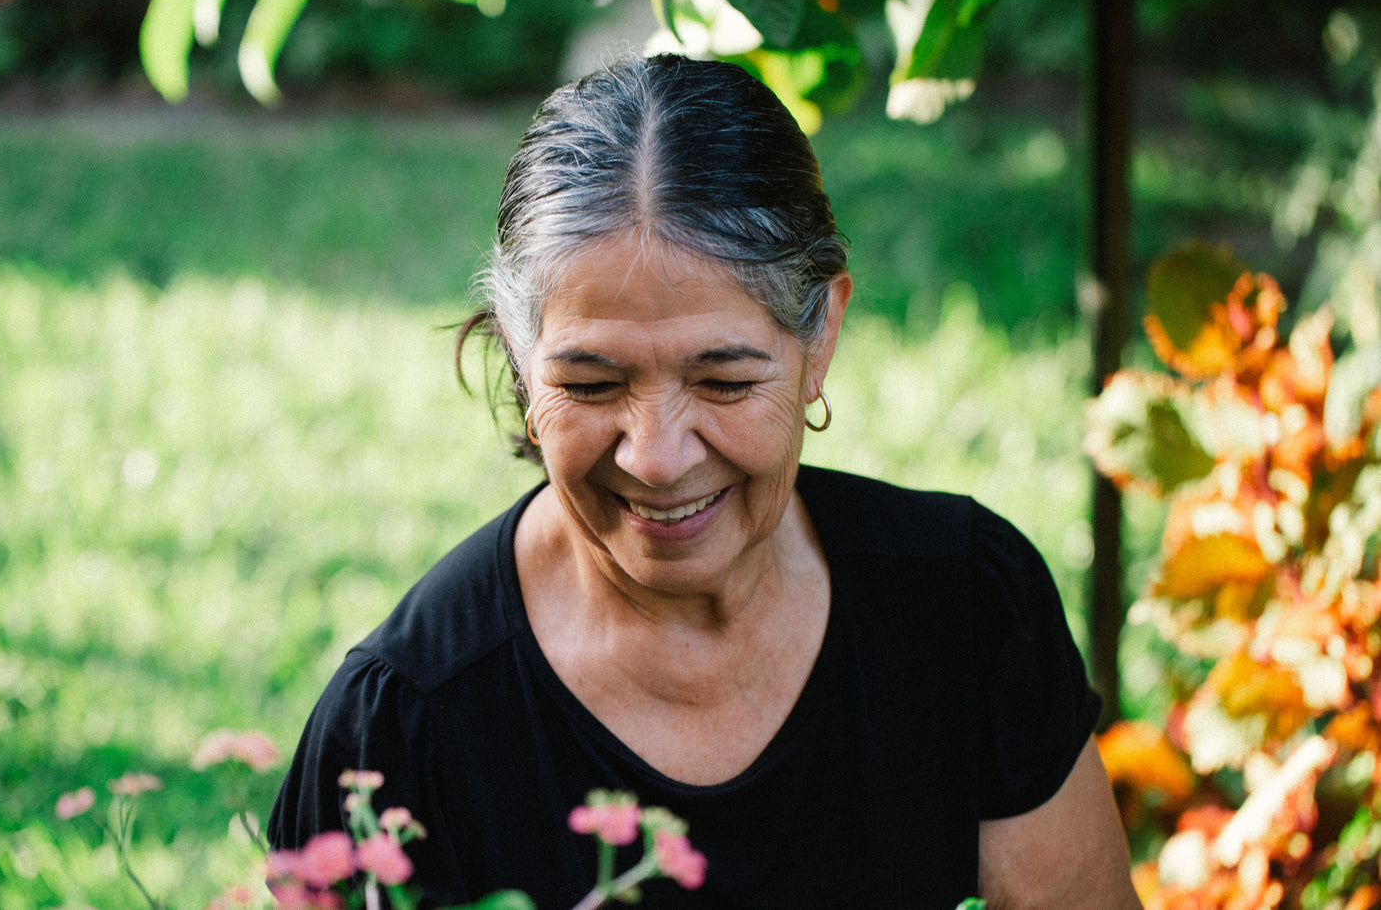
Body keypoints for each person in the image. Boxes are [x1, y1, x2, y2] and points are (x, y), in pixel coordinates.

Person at [268, 52, 1140, 909]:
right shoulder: (399, 728)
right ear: (520, 356)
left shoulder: (963, 605)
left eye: (723, 381)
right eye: (592, 383)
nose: (655, 456)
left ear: (820, 337)